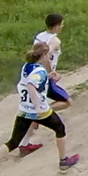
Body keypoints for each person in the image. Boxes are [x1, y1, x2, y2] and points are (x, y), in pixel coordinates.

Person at [0, 41, 78, 176]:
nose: (50, 56)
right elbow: (32, 85)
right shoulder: (39, 72)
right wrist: (38, 107)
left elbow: (31, 81)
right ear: (43, 55)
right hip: (39, 111)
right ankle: (63, 161)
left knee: (13, 142)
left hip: (23, 110)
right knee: (60, 129)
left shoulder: (27, 67)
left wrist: (50, 76)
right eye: (48, 54)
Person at [15, 13, 69, 155]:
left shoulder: (40, 36)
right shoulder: (55, 41)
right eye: (61, 24)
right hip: (44, 78)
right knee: (66, 102)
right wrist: (52, 73)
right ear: (57, 26)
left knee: (35, 111)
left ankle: (24, 143)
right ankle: (42, 115)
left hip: (35, 74)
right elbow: (46, 56)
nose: (62, 26)